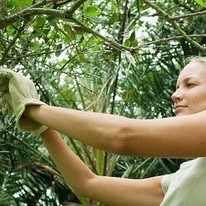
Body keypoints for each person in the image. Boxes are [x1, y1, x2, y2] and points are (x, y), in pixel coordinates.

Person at [1, 56, 206, 206]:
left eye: (190, 84)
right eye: (177, 86)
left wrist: (33, 108)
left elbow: (123, 136)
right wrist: (43, 127)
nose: (175, 95)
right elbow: (87, 183)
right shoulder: (184, 179)